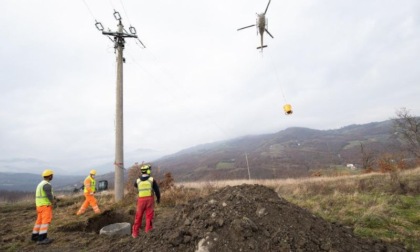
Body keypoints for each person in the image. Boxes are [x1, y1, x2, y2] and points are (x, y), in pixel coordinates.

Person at [132, 164, 161, 238]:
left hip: (140, 201)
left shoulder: (137, 181)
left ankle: (135, 233)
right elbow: (157, 191)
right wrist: (158, 199)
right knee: (149, 216)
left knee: (138, 216)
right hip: (149, 200)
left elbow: (135, 185)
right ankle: (148, 230)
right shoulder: (152, 180)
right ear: (148, 171)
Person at [31, 169, 55, 245]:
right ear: (50, 176)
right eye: (52, 175)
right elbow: (49, 195)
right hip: (45, 206)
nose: (52, 176)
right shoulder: (47, 185)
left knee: (39, 222)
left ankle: (34, 236)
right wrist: (53, 202)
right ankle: (42, 239)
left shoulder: (41, 184)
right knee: (45, 222)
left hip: (39, 206)